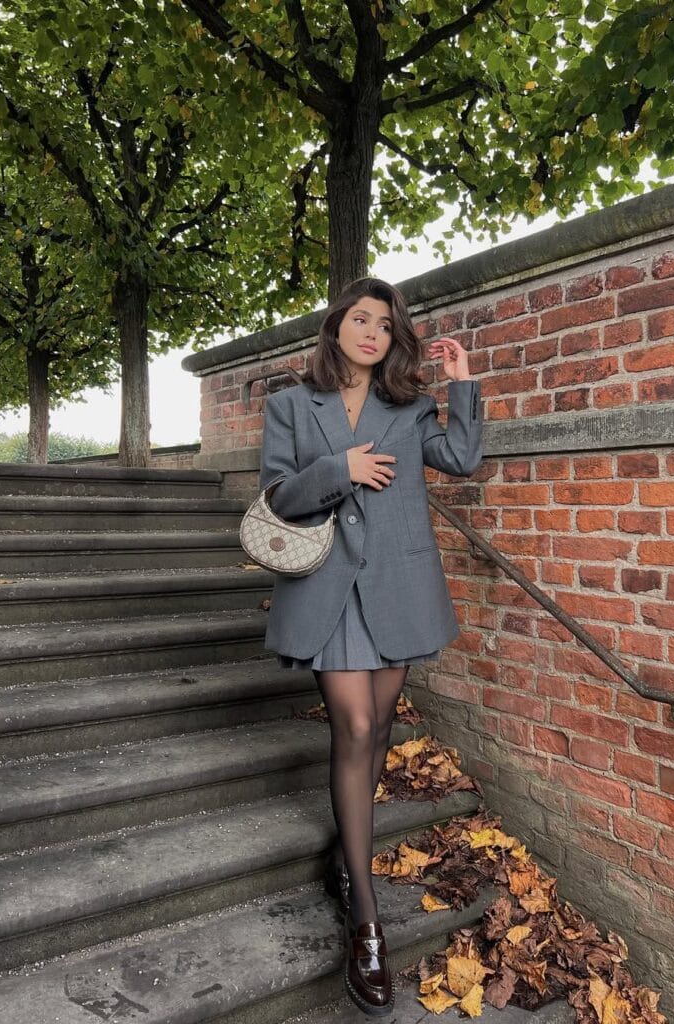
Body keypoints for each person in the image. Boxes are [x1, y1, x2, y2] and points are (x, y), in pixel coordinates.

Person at [258, 277, 483, 1016]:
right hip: (327, 590)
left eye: (385, 326)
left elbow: (461, 458)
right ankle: (366, 918)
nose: (372, 333)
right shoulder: (292, 405)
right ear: (336, 327)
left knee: (380, 728)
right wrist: (340, 470)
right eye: (361, 319)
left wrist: (462, 385)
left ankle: (343, 854)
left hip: (395, 588)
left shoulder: (409, 407)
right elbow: (279, 496)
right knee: (355, 727)